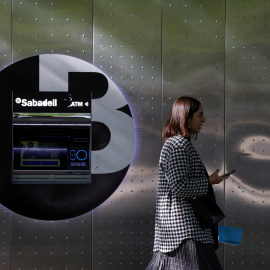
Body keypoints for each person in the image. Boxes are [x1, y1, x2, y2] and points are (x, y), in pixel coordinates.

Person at [146, 96, 230, 270]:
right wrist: (208, 181)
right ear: (186, 117)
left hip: (183, 233)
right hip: (185, 233)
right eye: (200, 115)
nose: (204, 120)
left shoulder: (178, 144)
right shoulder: (178, 145)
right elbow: (180, 186)